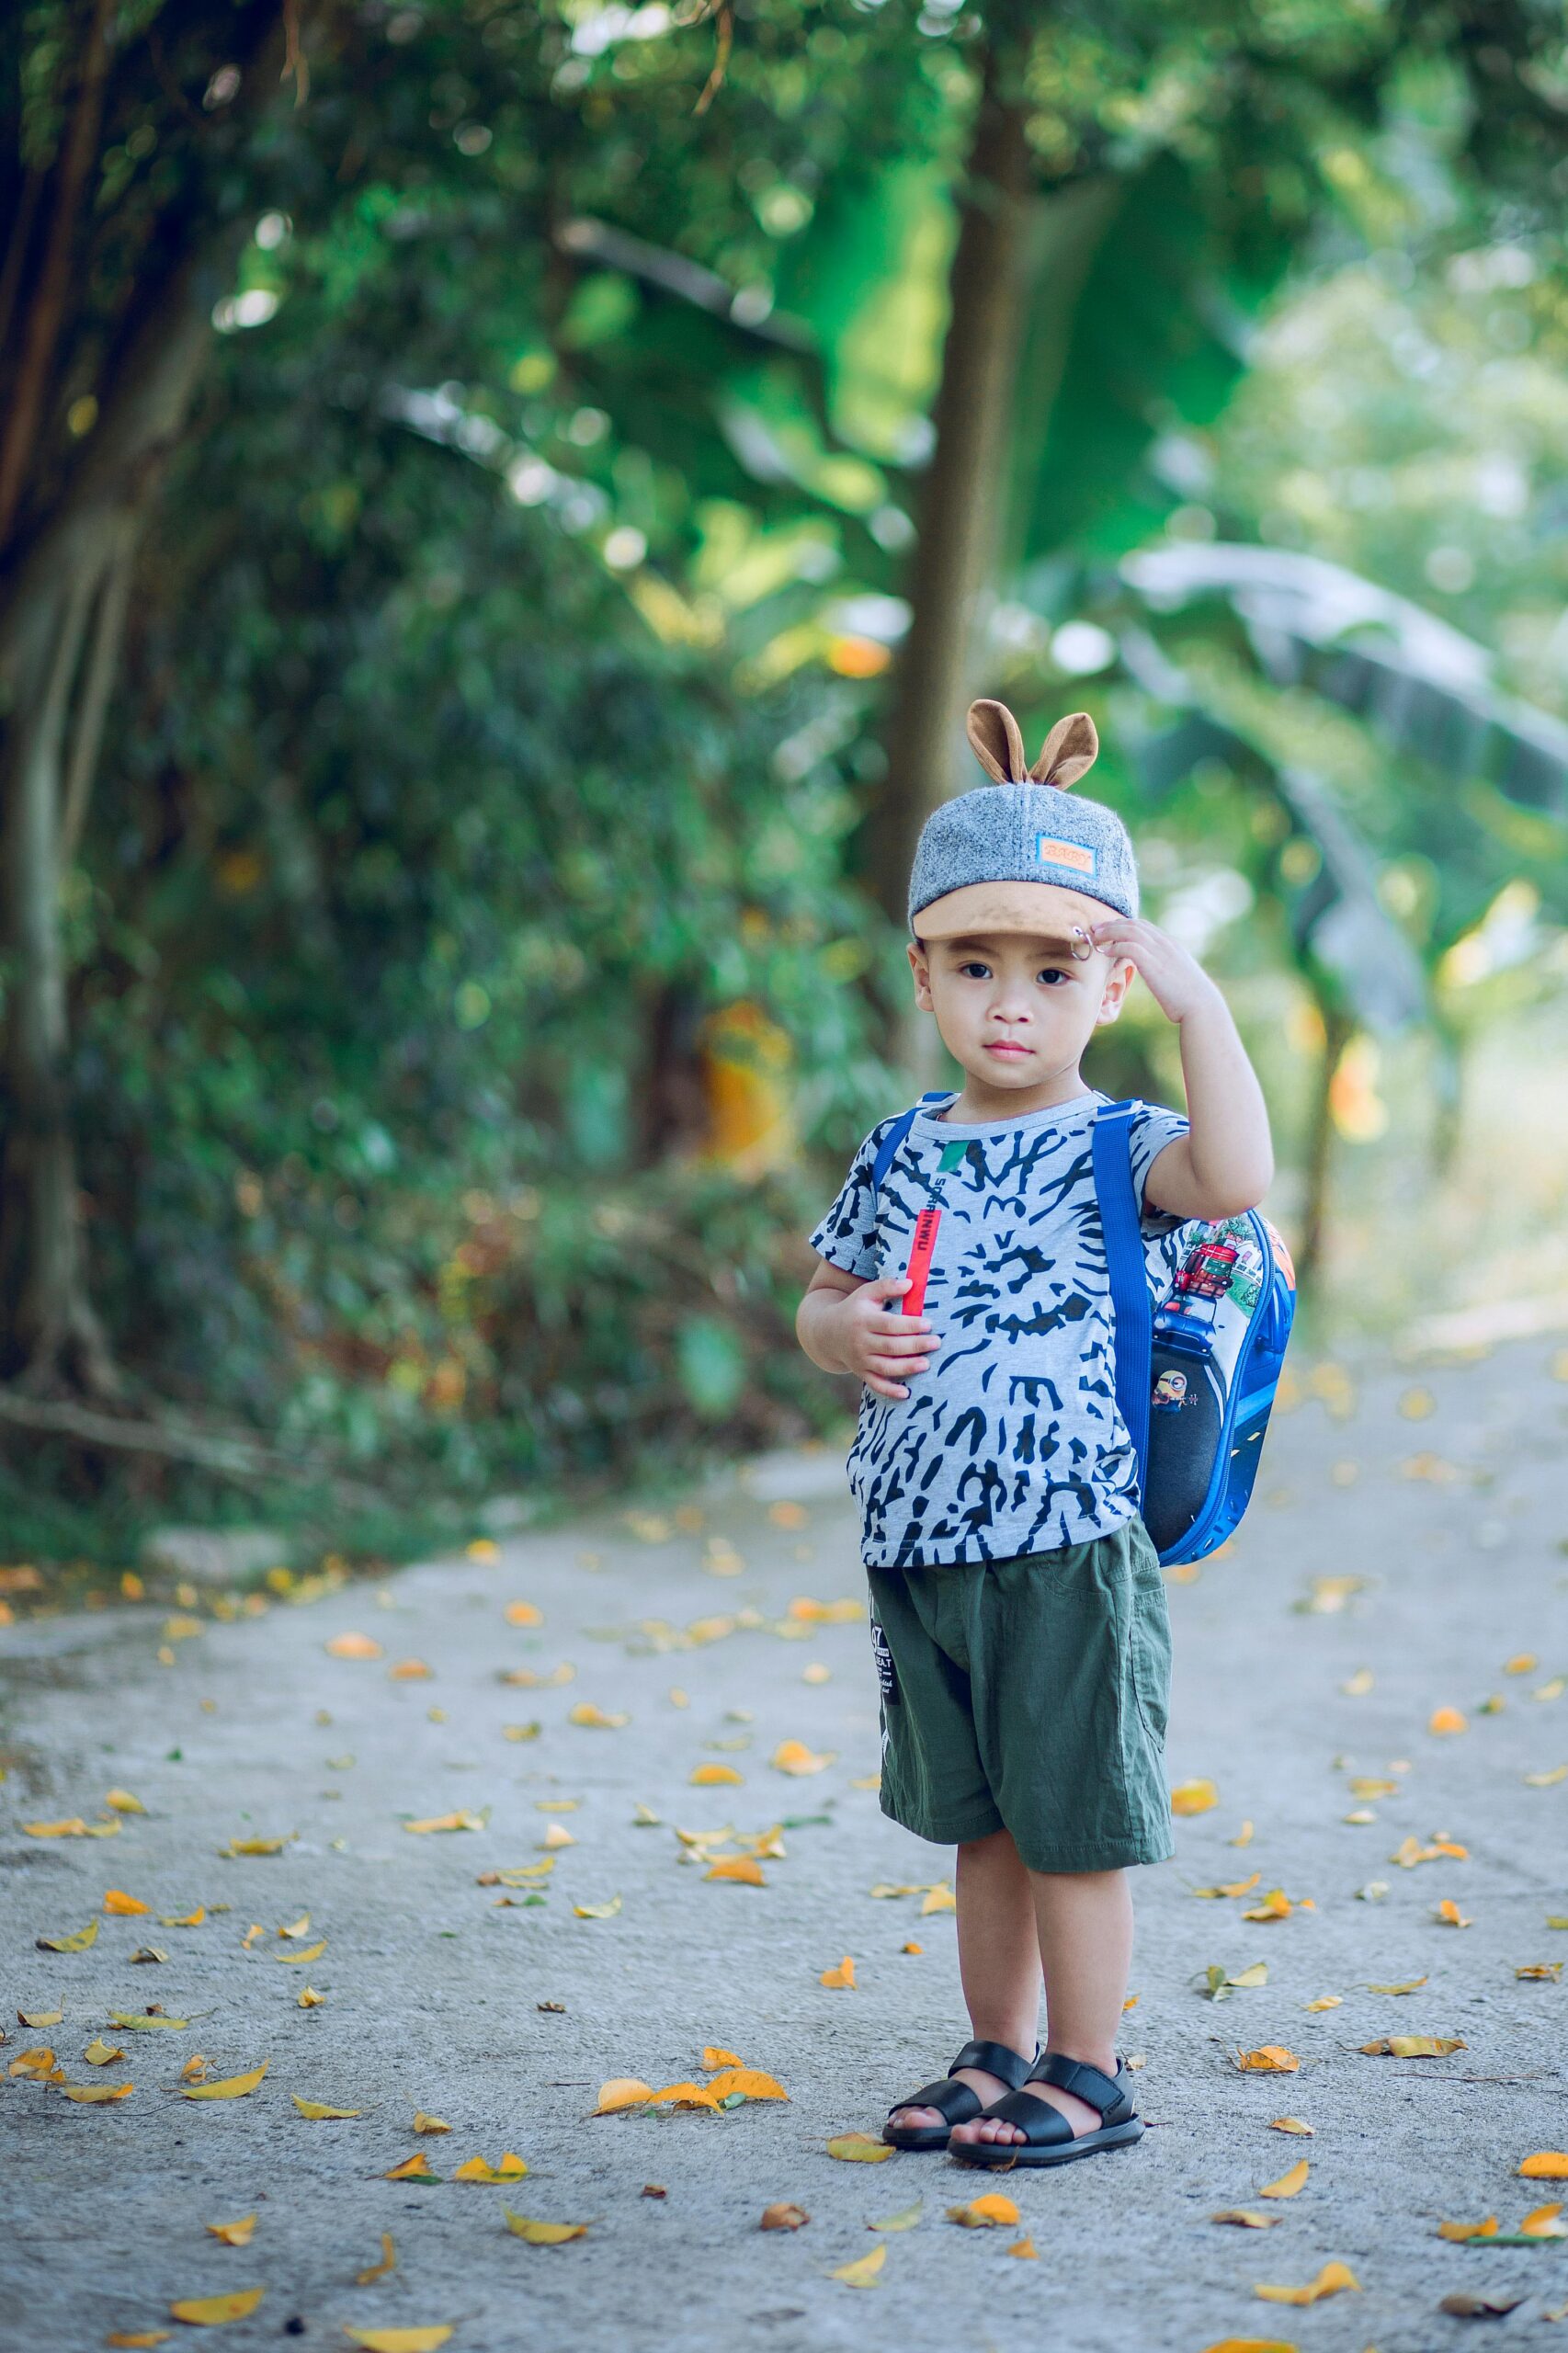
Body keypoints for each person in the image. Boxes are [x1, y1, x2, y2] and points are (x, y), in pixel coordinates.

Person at [795, 698, 1273, 2168]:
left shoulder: (1121, 1145)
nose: (1011, 1001)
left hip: (1066, 1540)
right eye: (976, 964)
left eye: (1053, 969)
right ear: (924, 971)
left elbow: (1237, 1173)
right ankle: (993, 2050)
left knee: (1072, 1821)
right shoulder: (900, 1143)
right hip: (921, 1537)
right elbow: (821, 1298)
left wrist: (1203, 1011)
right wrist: (843, 1333)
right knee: (981, 1825)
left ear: (1106, 984)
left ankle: (1090, 2066)